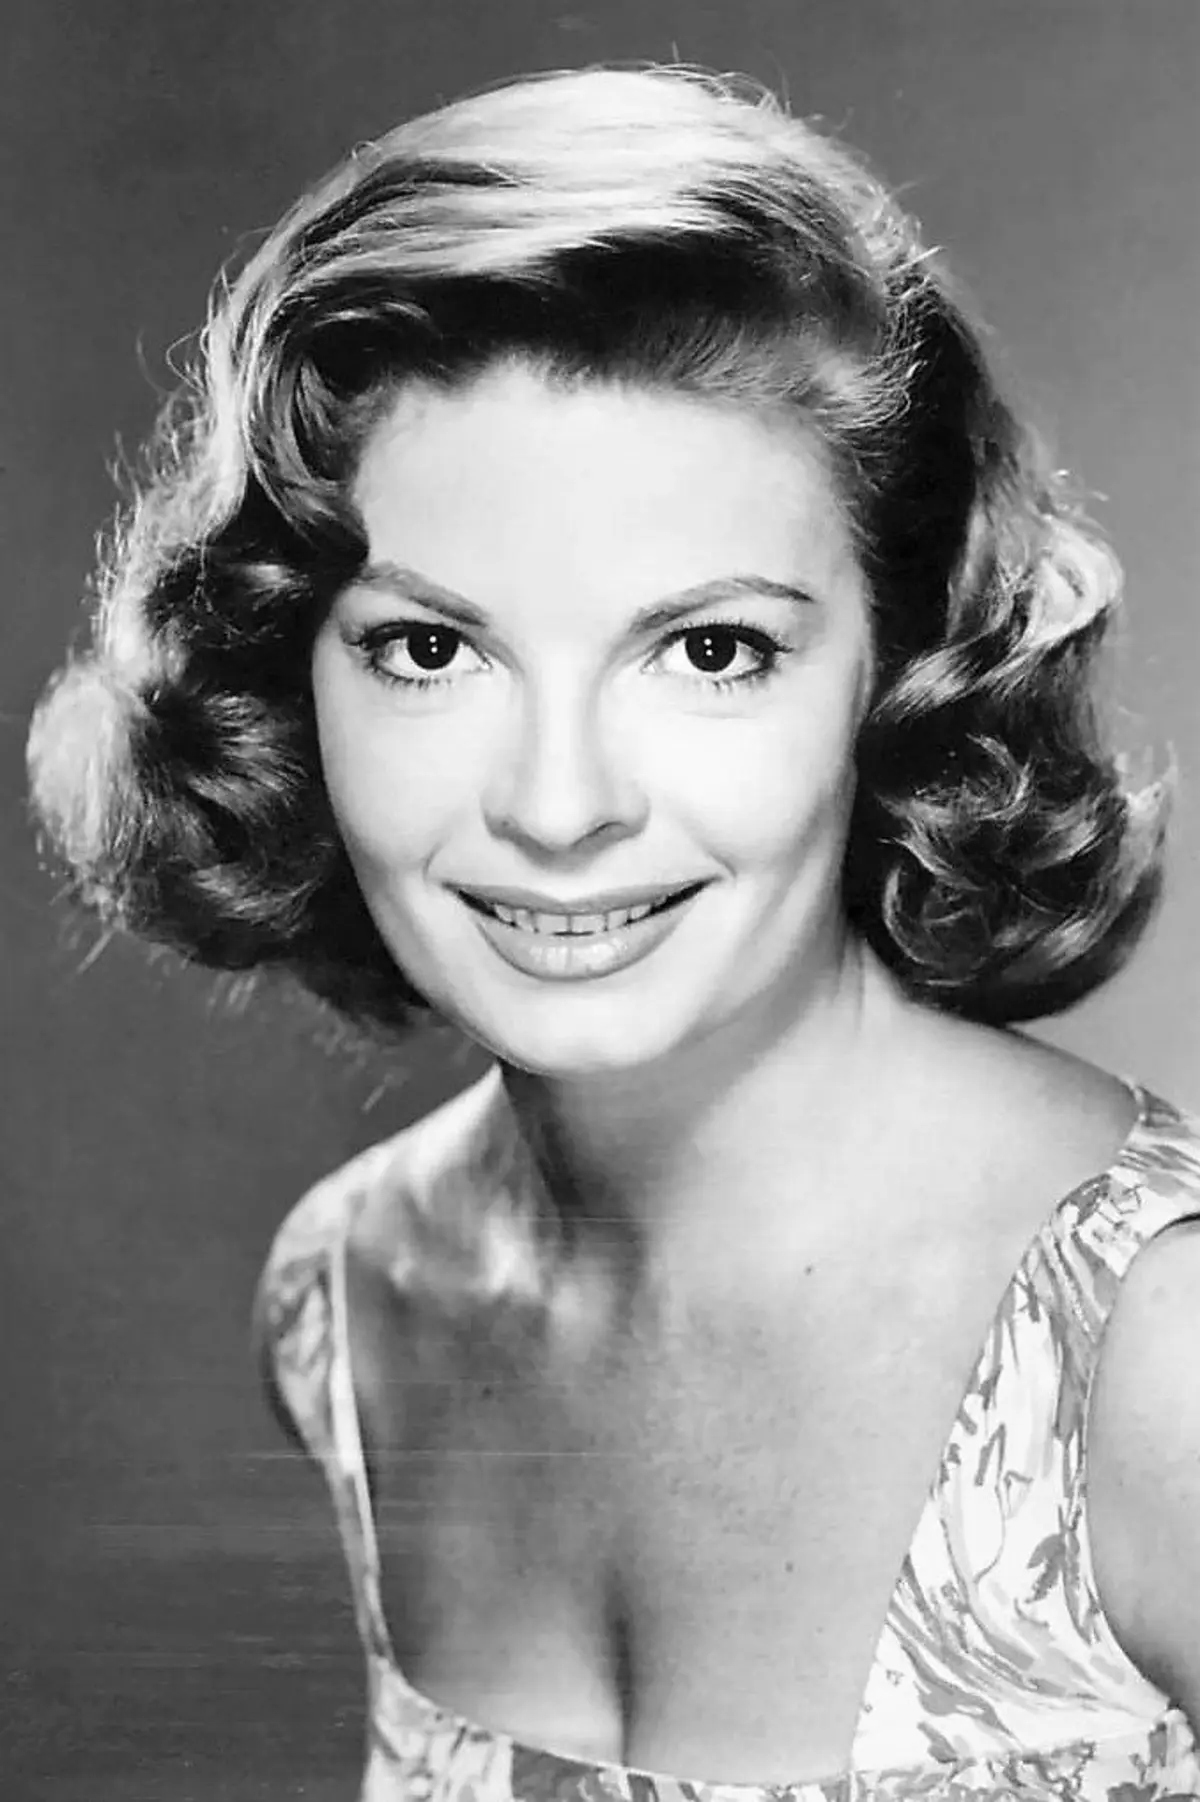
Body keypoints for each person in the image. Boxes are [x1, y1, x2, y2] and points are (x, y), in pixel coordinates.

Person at [25, 61, 1200, 1802]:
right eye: (431, 649)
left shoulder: (1160, 1365)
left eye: (711, 650)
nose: (559, 804)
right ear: (288, 676)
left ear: (898, 666)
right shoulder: (347, 1302)